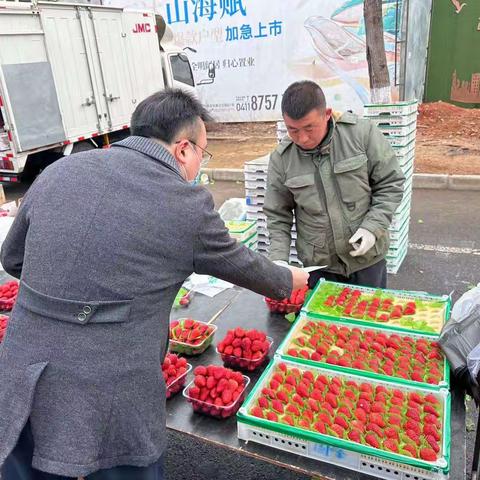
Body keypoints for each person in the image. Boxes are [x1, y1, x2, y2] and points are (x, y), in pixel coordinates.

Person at [0, 88, 309, 480]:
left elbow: (12, 259)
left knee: (26, 464)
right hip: (111, 388)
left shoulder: (59, 172)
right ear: (183, 149)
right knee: (125, 467)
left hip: (24, 371)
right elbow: (247, 267)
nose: (199, 164)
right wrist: (290, 278)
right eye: (203, 153)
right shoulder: (185, 203)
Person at [264, 80, 405, 290]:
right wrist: (278, 260)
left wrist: (372, 228)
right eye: (292, 130)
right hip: (320, 267)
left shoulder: (361, 134)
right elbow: (278, 215)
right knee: (323, 323)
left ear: (327, 113)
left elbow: (390, 183)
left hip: (367, 261)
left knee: (369, 319)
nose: (302, 138)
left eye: (309, 127)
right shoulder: (282, 159)